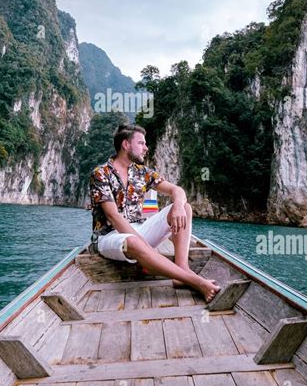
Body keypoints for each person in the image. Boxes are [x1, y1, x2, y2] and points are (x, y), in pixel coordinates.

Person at [88, 122, 221, 303]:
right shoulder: (101, 173)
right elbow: (113, 216)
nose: (146, 148)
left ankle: (181, 269)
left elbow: (177, 190)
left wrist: (178, 205)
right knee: (133, 242)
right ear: (126, 145)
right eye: (141, 143)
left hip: (139, 228)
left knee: (186, 208)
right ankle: (194, 281)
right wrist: (145, 247)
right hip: (110, 236)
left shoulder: (143, 173)